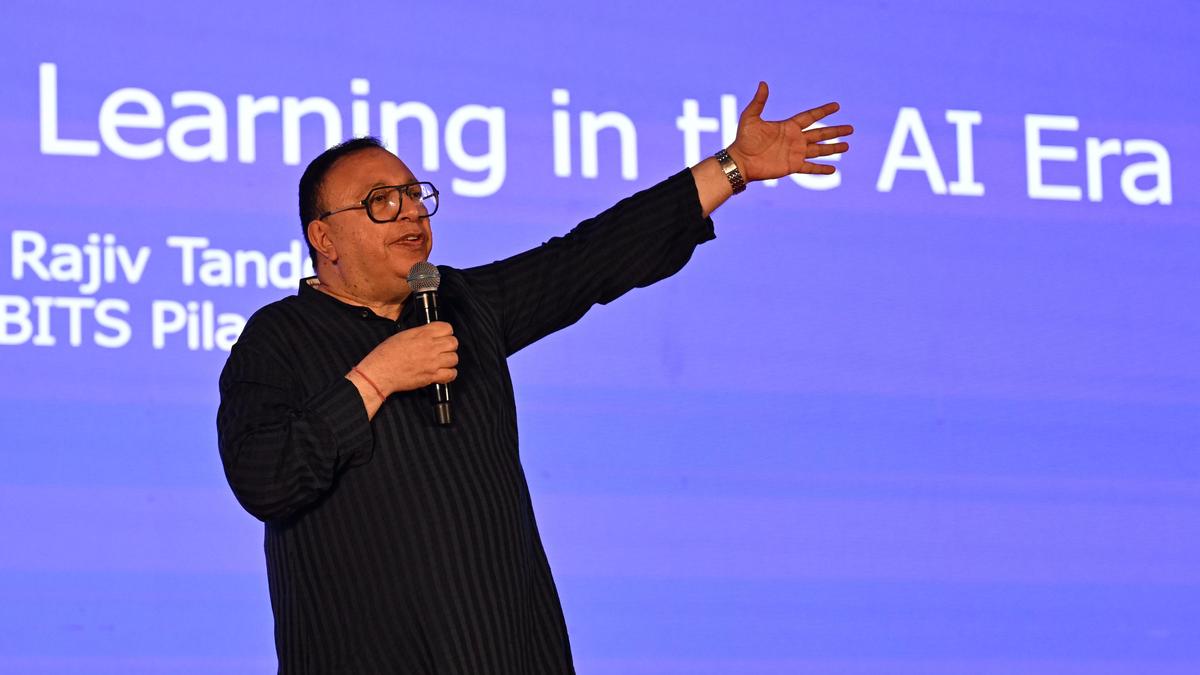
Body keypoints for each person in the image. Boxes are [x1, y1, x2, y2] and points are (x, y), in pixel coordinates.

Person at [217, 82, 852, 674]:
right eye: (381, 201)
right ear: (324, 237)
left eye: (414, 195)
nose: (410, 212)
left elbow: (589, 257)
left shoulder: (461, 303)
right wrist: (375, 379)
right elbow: (264, 479)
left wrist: (732, 167)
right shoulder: (278, 338)